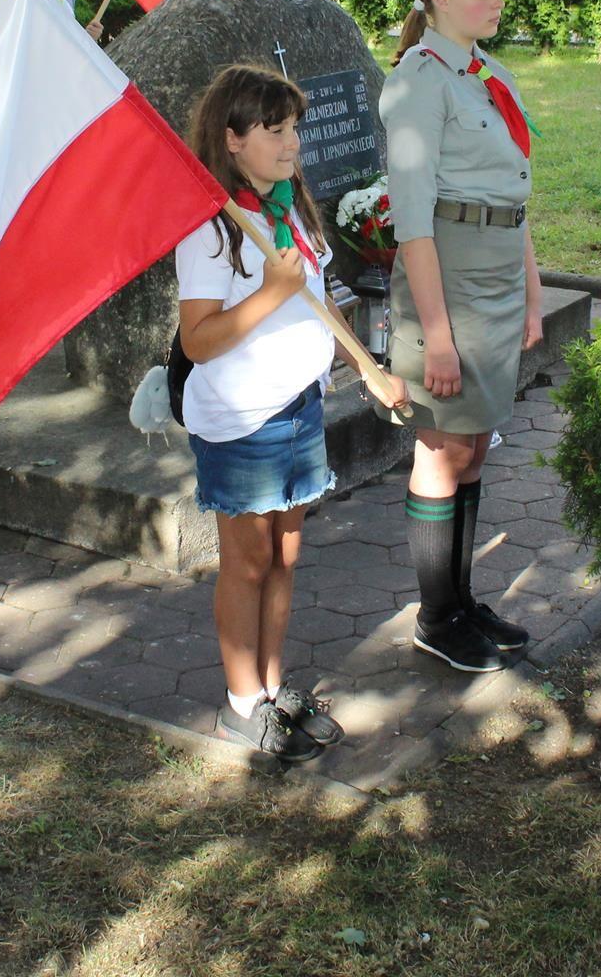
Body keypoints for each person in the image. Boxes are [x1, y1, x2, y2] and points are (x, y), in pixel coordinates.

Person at [176, 63, 407, 759]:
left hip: (299, 408)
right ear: (232, 138)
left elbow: (320, 298)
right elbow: (200, 339)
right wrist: (270, 292)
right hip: (243, 421)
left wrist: (366, 368)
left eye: (294, 127)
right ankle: (241, 704)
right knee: (246, 563)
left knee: (285, 555)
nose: (292, 143)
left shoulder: (288, 206)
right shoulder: (213, 229)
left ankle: (272, 689)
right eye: (275, 130)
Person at [381, 0, 542, 675]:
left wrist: (533, 296)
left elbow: (515, 194)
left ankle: (462, 598)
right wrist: (436, 336)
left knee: (475, 445)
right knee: (444, 448)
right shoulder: (420, 80)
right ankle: (435, 615)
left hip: (499, 281)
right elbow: (412, 222)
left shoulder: (485, 72)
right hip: (448, 287)